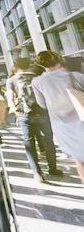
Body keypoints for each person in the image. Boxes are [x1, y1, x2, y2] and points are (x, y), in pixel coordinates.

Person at [32, 50, 84, 183]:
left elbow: (42, 104)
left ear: (40, 64)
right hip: (81, 119)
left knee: (80, 160)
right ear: (59, 60)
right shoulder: (76, 76)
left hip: (61, 124)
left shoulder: (37, 82)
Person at [6, 57, 61, 183]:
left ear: (15, 65)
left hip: (24, 114)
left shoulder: (12, 80)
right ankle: (53, 169)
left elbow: (10, 97)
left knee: (29, 142)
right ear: (29, 65)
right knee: (48, 141)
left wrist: (13, 109)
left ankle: (37, 173)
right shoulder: (39, 77)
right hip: (43, 113)